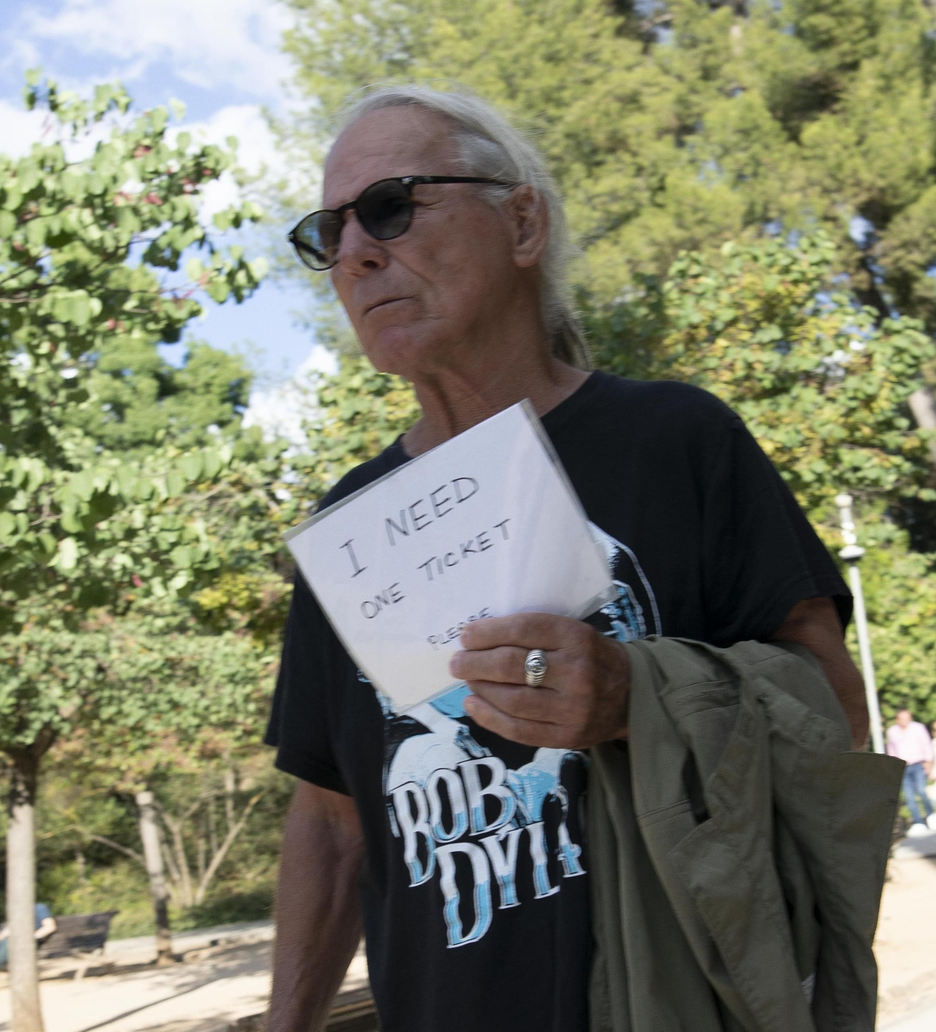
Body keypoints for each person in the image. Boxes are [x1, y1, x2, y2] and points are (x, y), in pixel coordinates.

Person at [261, 85, 871, 1032]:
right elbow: (332, 824)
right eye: (326, 231)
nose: (354, 253)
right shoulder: (353, 522)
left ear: (522, 222)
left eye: (389, 207)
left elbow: (837, 712)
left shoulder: (677, 439)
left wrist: (642, 699)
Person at [886, 709, 936, 832]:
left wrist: (929, 761)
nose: (905, 721)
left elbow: (926, 744)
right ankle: (918, 821)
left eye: (907, 718)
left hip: (918, 764)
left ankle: (931, 815)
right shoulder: (892, 731)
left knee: (921, 790)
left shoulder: (918, 728)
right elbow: (891, 749)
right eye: (902, 718)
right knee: (909, 797)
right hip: (903, 767)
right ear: (897, 719)